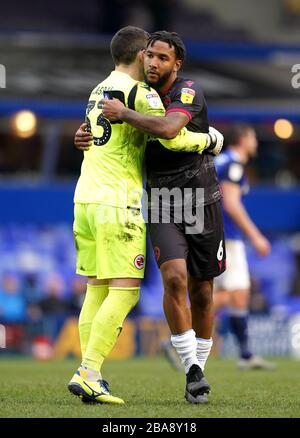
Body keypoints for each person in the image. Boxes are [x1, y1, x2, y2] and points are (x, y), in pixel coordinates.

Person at [70, 26, 223, 405]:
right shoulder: (140, 95)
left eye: (162, 57)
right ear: (141, 56)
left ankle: (94, 371)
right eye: (150, 55)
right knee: (133, 289)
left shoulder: (98, 91)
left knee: (100, 289)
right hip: (126, 202)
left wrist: (86, 134)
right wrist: (212, 140)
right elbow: (173, 133)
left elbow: (98, 132)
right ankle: (89, 371)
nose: (153, 62)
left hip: (90, 200)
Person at [213, 124, 276, 370]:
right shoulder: (234, 164)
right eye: (253, 137)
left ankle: (246, 354)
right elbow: (231, 204)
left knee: (234, 294)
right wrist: (256, 236)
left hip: (214, 234)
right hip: (228, 236)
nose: (256, 142)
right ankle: (177, 337)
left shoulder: (219, 161)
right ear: (242, 139)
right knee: (235, 293)